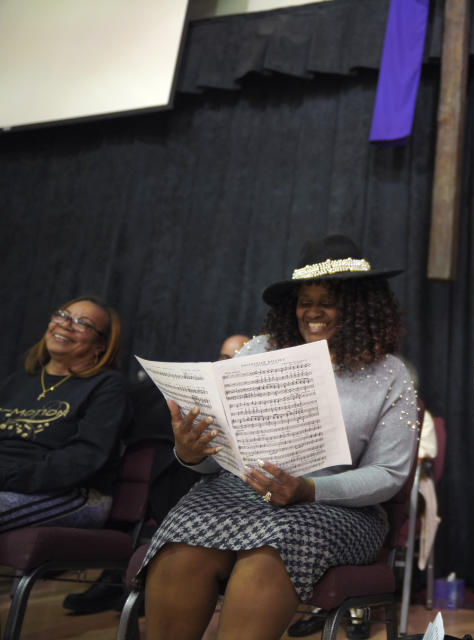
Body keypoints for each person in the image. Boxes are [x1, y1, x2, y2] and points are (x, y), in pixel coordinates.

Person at [140, 235, 419, 640]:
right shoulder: (259, 350)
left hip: (334, 508)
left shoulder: (390, 374)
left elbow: (388, 475)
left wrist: (308, 489)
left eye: (328, 300)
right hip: (239, 492)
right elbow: (215, 454)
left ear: (360, 306)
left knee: (270, 556)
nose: (313, 312)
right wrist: (190, 452)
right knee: (181, 545)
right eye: (305, 301)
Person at [0, 296, 130, 533]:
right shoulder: (18, 381)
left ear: (101, 345)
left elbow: (83, 458)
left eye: (82, 322)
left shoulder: (107, 386)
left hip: (73, 493)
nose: (65, 324)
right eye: (62, 315)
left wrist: (8, 478)